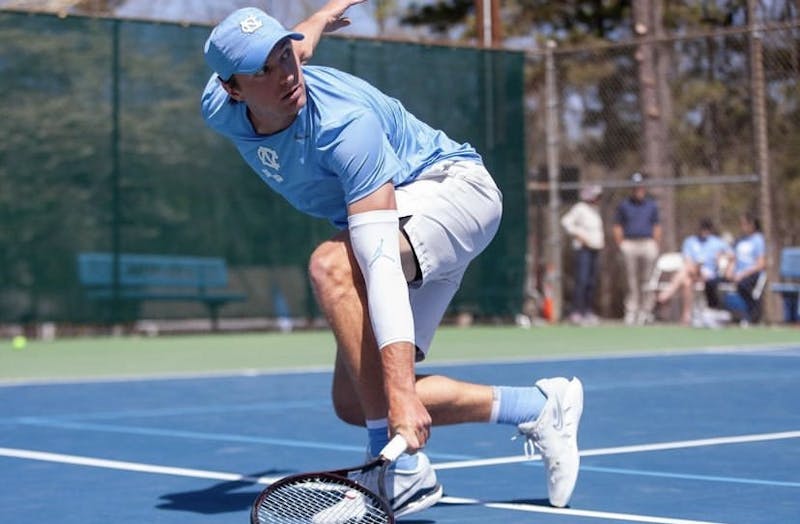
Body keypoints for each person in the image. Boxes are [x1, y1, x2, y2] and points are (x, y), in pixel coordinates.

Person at [200, 2, 584, 516]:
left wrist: (403, 394)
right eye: (263, 69)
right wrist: (316, 19)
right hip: (401, 221)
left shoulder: (343, 125)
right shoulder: (218, 106)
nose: (287, 73)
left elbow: (379, 258)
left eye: (284, 56)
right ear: (232, 88)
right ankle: (538, 407)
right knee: (357, 402)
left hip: (454, 191)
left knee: (332, 266)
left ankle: (400, 474)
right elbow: (304, 41)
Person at [656, 218, 732, 325]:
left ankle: (667, 294)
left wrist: (723, 260)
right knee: (687, 281)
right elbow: (687, 259)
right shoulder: (690, 241)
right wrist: (694, 267)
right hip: (692, 272)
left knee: (685, 272)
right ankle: (686, 315)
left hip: (707, 274)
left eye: (706, 230)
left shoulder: (717, 243)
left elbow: (732, 255)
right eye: (702, 229)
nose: (704, 232)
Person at [613, 172, 662, 325]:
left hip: (648, 243)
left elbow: (657, 225)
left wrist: (655, 242)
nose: (638, 190)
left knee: (648, 279)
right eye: (635, 187)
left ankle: (646, 311)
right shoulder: (624, 205)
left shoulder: (651, 205)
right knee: (630, 280)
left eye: (640, 187)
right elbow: (617, 226)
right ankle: (631, 310)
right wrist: (621, 244)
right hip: (629, 243)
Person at [710, 212, 766, 324]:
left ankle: (751, 315)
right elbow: (733, 258)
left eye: (745, 224)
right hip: (736, 274)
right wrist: (729, 270)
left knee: (742, 285)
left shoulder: (758, 240)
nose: (742, 227)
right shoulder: (740, 240)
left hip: (751, 274)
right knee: (711, 282)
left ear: (752, 225)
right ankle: (715, 312)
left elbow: (760, 264)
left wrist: (743, 274)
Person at [561, 184, 604, 325]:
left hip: (594, 250)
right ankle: (577, 312)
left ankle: (588, 311)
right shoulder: (580, 208)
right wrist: (579, 235)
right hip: (583, 250)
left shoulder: (595, 210)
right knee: (582, 281)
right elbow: (566, 222)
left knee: (591, 282)